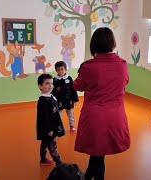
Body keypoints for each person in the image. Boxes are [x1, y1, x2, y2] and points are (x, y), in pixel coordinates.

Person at [73, 27, 130, 180]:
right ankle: (88, 175)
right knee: (98, 153)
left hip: (95, 117)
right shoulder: (123, 64)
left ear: (94, 44)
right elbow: (125, 83)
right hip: (115, 116)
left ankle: (93, 176)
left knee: (98, 154)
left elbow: (77, 86)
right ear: (112, 43)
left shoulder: (89, 66)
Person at [36, 74, 65, 166]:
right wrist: (49, 129)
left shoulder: (51, 96)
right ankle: (59, 163)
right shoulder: (43, 100)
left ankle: (43, 160)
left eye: (51, 83)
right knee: (52, 145)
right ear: (40, 86)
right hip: (48, 128)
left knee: (45, 143)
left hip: (52, 126)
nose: (50, 86)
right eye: (47, 83)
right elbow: (44, 117)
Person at [52, 61, 79, 133]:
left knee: (71, 115)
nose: (60, 71)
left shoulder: (69, 78)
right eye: (58, 69)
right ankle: (60, 128)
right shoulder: (55, 79)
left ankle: (72, 126)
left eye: (62, 69)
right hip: (59, 101)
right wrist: (53, 100)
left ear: (65, 69)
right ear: (56, 70)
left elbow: (73, 89)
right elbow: (53, 91)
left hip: (69, 100)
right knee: (59, 116)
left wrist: (75, 99)